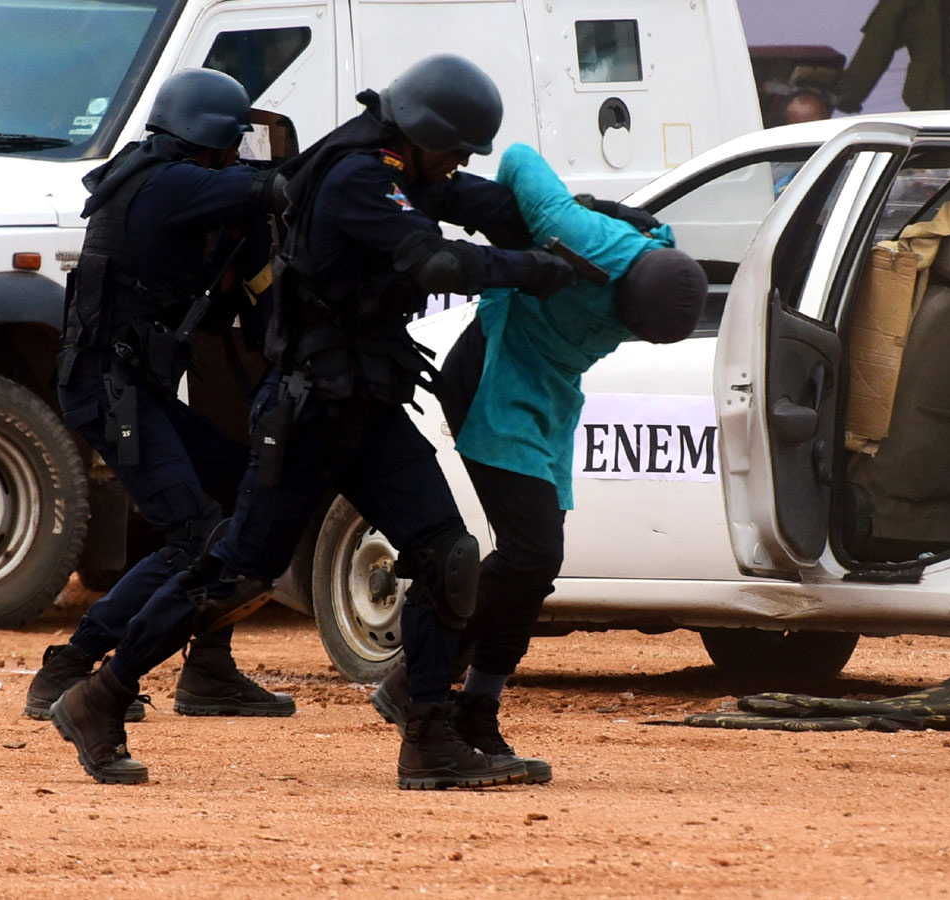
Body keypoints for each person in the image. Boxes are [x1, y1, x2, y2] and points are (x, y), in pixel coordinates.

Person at [48, 54, 577, 788]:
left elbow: (481, 205)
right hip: (307, 413)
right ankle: (98, 695)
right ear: (420, 133)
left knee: (447, 556)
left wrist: (600, 229)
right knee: (234, 571)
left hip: (367, 405)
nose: (458, 164)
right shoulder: (358, 177)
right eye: (454, 148)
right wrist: (530, 271)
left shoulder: (398, 167)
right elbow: (436, 263)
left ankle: (430, 740)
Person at [370, 143, 709, 784]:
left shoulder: (657, 255)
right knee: (527, 552)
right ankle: (420, 682)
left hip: (548, 398)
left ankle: (476, 707)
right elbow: (520, 158)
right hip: (491, 377)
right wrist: (533, 238)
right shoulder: (590, 241)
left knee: (537, 563)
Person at [26, 68, 294, 729]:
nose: (238, 154)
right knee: (195, 536)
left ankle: (209, 671)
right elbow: (262, 188)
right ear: (209, 141)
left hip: (128, 388)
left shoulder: (155, 173)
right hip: (108, 391)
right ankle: (70, 664)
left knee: (238, 486)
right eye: (233, 142)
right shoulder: (171, 185)